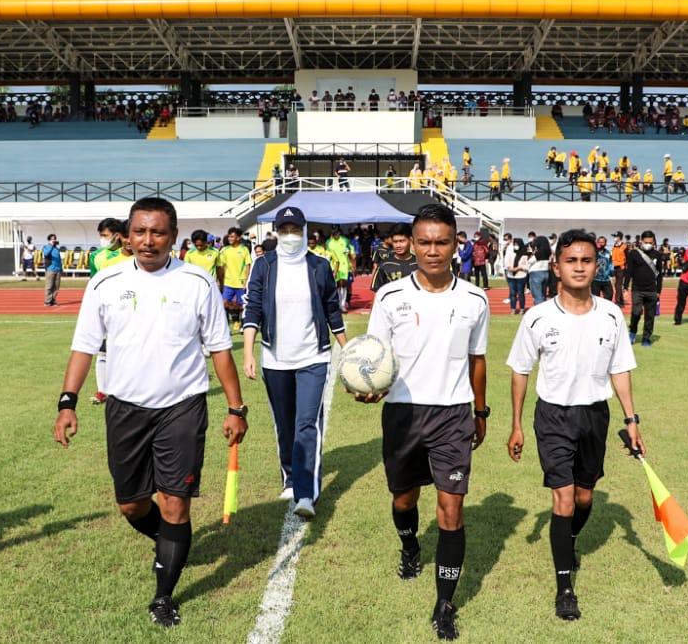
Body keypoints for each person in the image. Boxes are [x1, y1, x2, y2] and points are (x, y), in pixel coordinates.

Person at [53, 196, 248, 629]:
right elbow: (84, 346)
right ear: (127, 235)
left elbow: (219, 349)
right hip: (125, 408)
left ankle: (164, 596)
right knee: (132, 505)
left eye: (157, 232)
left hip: (182, 406)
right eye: (139, 231)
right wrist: (67, 402)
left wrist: (236, 408)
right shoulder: (104, 282)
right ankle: (171, 542)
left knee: (175, 503)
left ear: (173, 237)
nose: (148, 241)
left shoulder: (197, 282)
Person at [358, 203, 489, 641]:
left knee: (452, 508)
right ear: (411, 244)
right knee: (403, 499)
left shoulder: (475, 299)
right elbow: (373, 357)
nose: (434, 251)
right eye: (425, 242)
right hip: (403, 413)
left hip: (453, 415)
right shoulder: (391, 297)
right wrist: (367, 386)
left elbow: (478, 359)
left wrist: (481, 411)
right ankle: (411, 547)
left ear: (456, 244)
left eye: (443, 242)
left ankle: (445, 604)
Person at [505, 228, 643, 622]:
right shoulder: (537, 317)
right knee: (563, 500)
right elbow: (519, 372)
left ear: (595, 265)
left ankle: (569, 539)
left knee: (584, 498)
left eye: (586, 261)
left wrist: (631, 420)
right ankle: (565, 587)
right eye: (571, 261)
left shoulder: (612, 314)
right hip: (553, 417)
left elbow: (620, 369)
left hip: (594, 416)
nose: (579, 267)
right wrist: (516, 425)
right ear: (557, 266)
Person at [242, 206, 346, 518]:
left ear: (303, 231)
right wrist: (248, 352)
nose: (289, 235)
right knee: (285, 425)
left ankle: (305, 494)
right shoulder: (264, 265)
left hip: (314, 356)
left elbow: (331, 308)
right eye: (284, 229)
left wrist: (348, 348)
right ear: (276, 231)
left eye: (294, 229)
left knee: (306, 424)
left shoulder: (318, 265)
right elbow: (252, 308)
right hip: (275, 358)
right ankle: (290, 475)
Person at [87, 218, 134, 405]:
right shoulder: (99, 257)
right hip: (108, 311)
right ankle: (102, 391)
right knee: (103, 351)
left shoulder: (143, 257)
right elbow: (94, 286)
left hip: (136, 313)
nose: (103, 239)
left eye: (105, 235)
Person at [625, 230, 662, 346]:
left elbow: (660, 275)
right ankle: (633, 332)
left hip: (652, 290)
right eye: (646, 242)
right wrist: (625, 287)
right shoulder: (634, 254)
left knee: (649, 316)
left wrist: (659, 291)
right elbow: (629, 271)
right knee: (636, 312)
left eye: (650, 242)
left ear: (653, 242)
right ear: (641, 241)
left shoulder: (657, 255)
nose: (648, 244)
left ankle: (646, 338)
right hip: (637, 289)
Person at [218, 227, 252, 332]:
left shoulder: (244, 249)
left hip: (241, 283)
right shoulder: (225, 250)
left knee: (243, 305)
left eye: (232, 236)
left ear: (238, 237)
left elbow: (248, 265)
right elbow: (222, 266)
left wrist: (247, 281)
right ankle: (225, 326)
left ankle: (243, 325)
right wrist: (221, 281)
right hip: (228, 283)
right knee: (223, 304)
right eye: (229, 236)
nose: (230, 238)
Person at [371, 222, 417, 291]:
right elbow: (378, 292)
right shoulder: (384, 264)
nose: (398, 245)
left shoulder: (420, 264)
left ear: (410, 240)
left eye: (401, 241)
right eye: (395, 242)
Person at [504, 236, 529, 315]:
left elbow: (528, 266)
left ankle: (522, 308)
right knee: (512, 293)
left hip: (521, 276)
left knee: (521, 293)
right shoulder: (511, 253)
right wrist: (509, 267)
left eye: (517, 244)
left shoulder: (525, 254)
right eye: (514, 244)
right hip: (511, 275)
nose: (515, 246)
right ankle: (513, 308)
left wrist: (519, 268)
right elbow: (507, 262)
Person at [591, 235, 614, 301]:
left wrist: (612, 273)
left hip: (606, 280)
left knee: (609, 296)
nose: (601, 243)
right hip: (595, 279)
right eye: (599, 242)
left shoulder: (608, 253)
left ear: (605, 243)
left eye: (602, 242)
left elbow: (610, 263)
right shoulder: (593, 252)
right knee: (595, 299)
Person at [42, 234, 63, 307]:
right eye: (52, 239)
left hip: (58, 269)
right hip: (50, 269)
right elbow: (46, 254)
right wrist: (51, 245)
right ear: (49, 240)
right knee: (49, 286)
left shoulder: (57, 248)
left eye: (54, 239)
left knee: (56, 286)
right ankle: (47, 301)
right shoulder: (46, 247)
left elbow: (59, 259)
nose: (54, 240)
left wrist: (61, 268)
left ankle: (53, 300)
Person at [610, 232, 628, 307]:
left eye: (615, 236)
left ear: (619, 237)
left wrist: (626, 267)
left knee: (618, 285)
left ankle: (617, 302)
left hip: (621, 267)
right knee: (616, 284)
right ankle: (621, 301)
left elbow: (628, 257)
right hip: (614, 267)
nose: (614, 238)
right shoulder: (614, 246)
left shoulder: (624, 246)